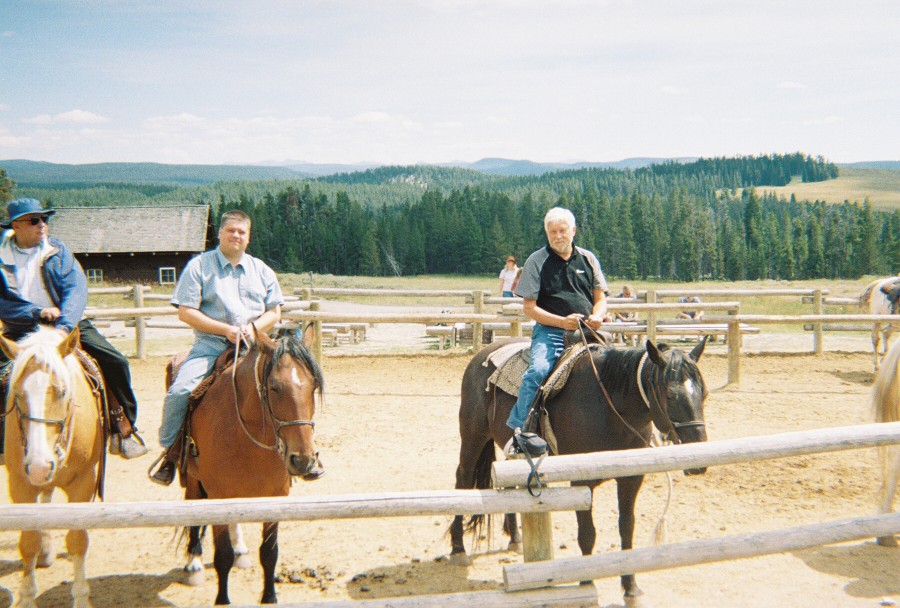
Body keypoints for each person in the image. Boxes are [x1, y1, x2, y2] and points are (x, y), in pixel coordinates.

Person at [150, 209, 323, 485]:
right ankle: (172, 453)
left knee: (292, 387)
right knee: (181, 391)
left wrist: (253, 329)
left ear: (248, 237)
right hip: (211, 346)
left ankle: (306, 451)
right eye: (231, 230)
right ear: (220, 233)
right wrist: (226, 329)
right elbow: (186, 312)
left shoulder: (261, 269)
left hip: (257, 347)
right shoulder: (199, 267)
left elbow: (275, 311)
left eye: (242, 232)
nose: (236, 236)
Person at [0, 198, 148, 460]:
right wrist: (35, 312)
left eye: (45, 219)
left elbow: (75, 289)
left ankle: (123, 428)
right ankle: (5, 440)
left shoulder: (58, 251)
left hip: (66, 324)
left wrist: (64, 325)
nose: (42, 225)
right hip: (22, 327)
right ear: (16, 225)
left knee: (115, 361)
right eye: (35, 220)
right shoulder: (2, 258)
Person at [505, 207, 608, 453]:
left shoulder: (588, 259)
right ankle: (519, 432)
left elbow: (600, 298)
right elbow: (529, 308)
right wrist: (562, 322)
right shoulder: (537, 261)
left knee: (618, 369)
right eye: (553, 232)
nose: (558, 236)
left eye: (563, 230)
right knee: (538, 370)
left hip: (587, 331)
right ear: (547, 234)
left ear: (573, 231)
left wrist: (598, 315)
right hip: (550, 332)